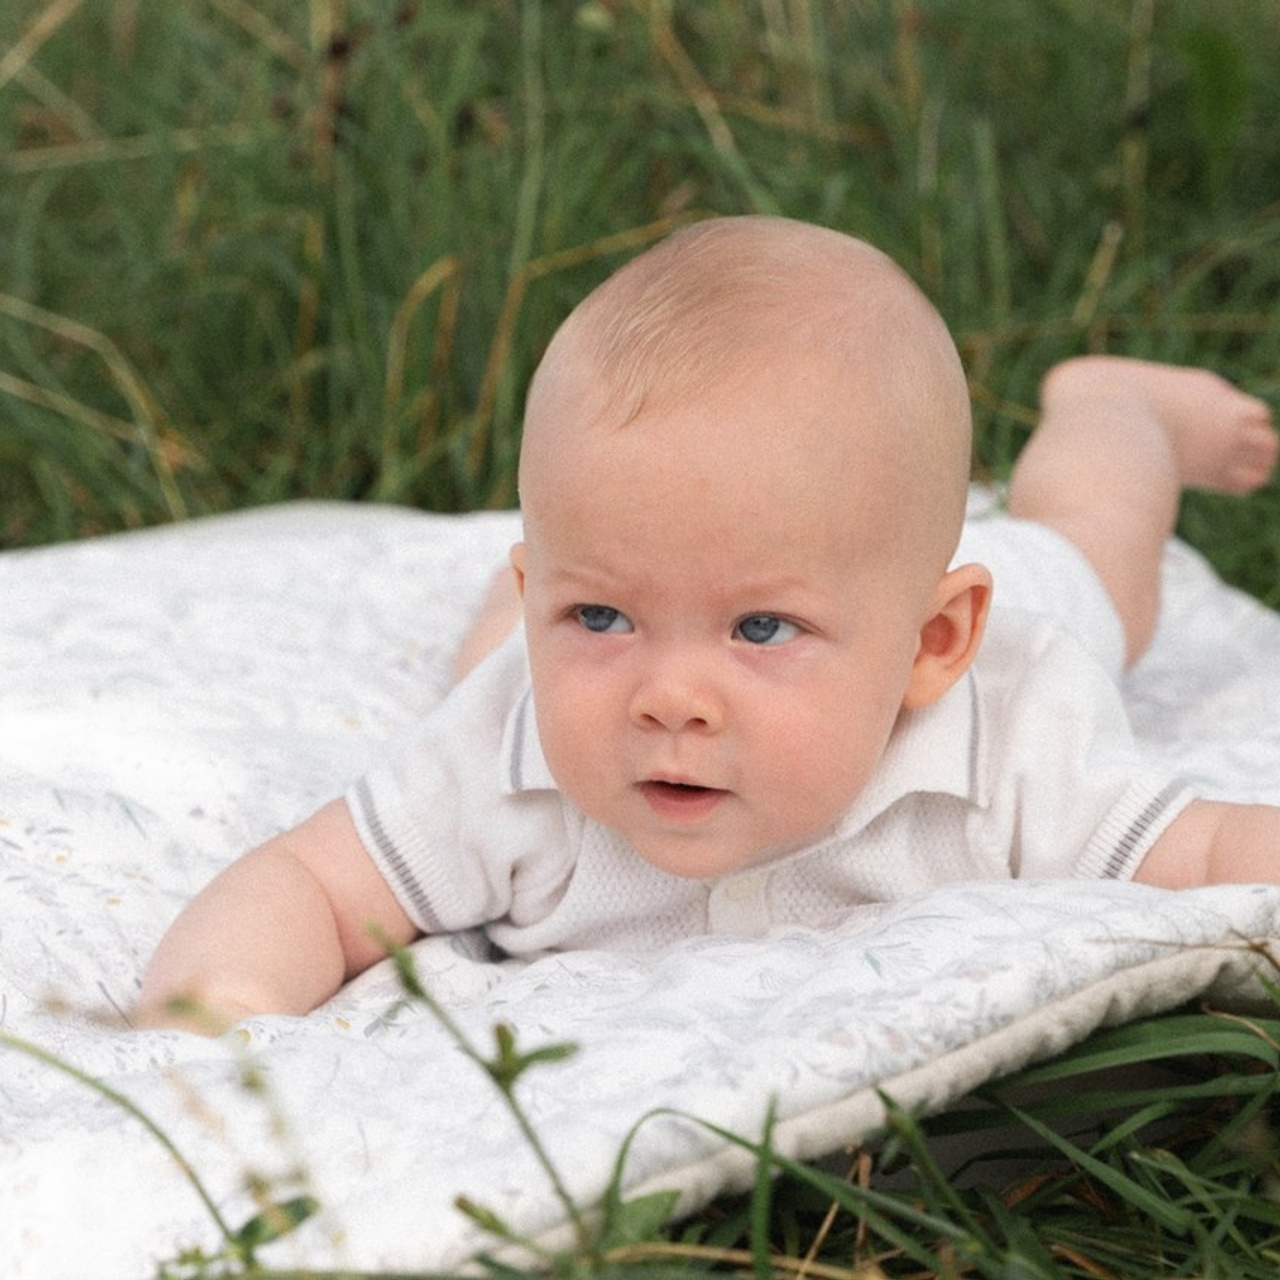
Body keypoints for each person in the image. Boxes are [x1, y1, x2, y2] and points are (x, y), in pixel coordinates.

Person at [137, 215, 1280, 1034]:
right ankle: (549, 602)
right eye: (598, 610)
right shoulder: (513, 748)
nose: (669, 695)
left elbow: (1218, 852)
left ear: (932, 642)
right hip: (555, 643)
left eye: (761, 630)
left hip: (1036, 588)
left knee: (1102, 548)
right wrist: (212, 1019)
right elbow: (313, 884)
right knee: (489, 676)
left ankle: (1110, 406)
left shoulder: (1019, 743)